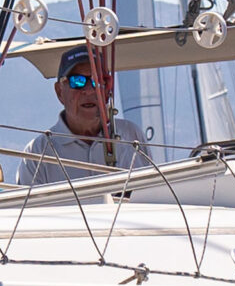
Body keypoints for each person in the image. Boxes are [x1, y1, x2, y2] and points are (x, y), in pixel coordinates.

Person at [18, 45, 149, 187]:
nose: (89, 90)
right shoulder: (37, 152)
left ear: (107, 90)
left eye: (97, 81)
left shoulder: (131, 135)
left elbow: (151, 192)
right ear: (59, 91)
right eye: (77, 81)